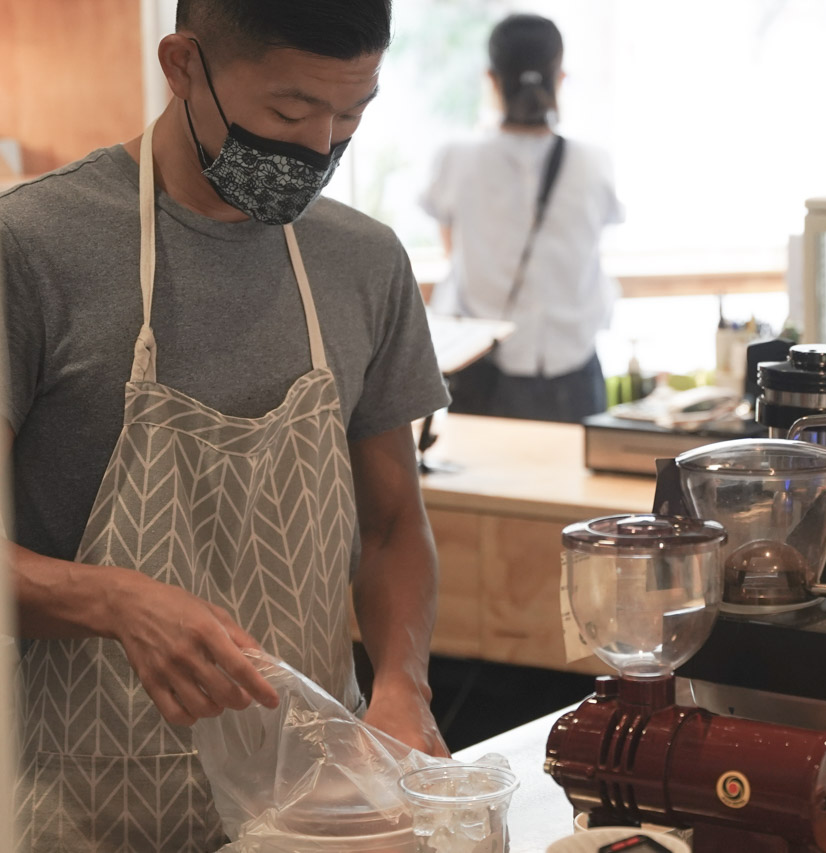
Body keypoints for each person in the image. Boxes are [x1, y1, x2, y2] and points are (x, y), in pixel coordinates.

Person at [1, 1, 451, 850]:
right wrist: (114, 598)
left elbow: (394, 527)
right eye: (288, 111)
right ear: (181, 66)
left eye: (351, 113)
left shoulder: (365, 263)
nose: (320, 146)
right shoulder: (31, 250)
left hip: (314, 813)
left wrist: (403, 681)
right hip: (86, 812)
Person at [422, 13, 624, 423]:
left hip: (484, 372)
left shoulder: (456, 160)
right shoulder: (593, 163)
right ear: (560, 77)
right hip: (575, 373)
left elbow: (452, 252)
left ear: (492, 80)